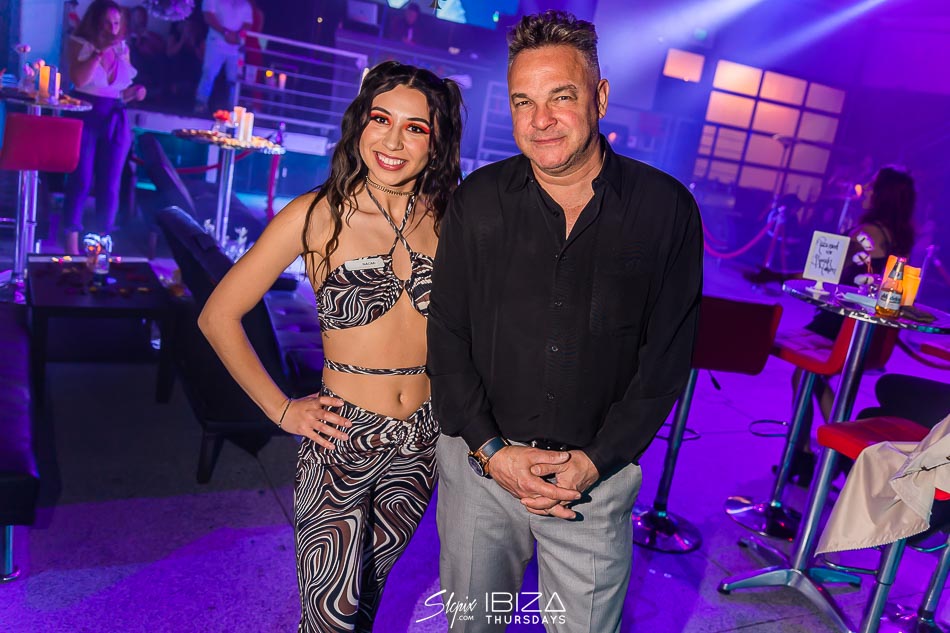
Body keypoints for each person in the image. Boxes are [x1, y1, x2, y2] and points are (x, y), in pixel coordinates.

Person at [427, 11, 702, 632]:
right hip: (481, 472)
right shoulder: (478, 202)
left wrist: (594, 462)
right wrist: (492, 451)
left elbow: (665, 360)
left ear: (599, 98)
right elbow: (446, 336)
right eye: (523, 101)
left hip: (595, 484)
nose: (540, 119)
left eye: (561, 96)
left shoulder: (666, 211)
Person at [198, 61, 463, 632]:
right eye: (381, 119)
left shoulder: (451, 218)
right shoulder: (316, 214)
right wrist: (281, 409)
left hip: (421, 441)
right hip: (340, 438)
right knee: (329, 617)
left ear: (437, 143)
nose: (393, 141)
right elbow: (218, 315)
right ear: (360, 123)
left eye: (416, 128)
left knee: (365, 603)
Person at [746, 165, 916, 484]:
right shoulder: (900, 238)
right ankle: (830, 453)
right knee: (808, 377)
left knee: (805, 376)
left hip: (840, 325)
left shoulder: (867, 233)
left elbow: (823, 271)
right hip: (872, 331)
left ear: (884, 195)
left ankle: (816, 454)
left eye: (872, 185)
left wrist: (774, 276)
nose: (866, 188)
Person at [63, 0, 147, 254]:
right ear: (95, 22)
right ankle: (71, 246)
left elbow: (118, 91)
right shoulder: (80, 43)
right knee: (81, 179)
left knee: (110, 184)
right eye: (108, 23)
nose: (113, 28)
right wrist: (98, 52)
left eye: (117, 23)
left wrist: (135, 92)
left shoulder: (122, 49)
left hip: (114, 116)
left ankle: (101, 245)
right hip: (85, 113)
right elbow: (79, 79)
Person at [194, 0, 253, 112]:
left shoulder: (244, 4)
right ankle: (201, 102)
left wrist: (237, 35)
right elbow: (208, 16)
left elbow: (248, 23)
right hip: (216, 42)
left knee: (234, 79)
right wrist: (225, 32)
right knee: (209, 73)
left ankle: (233, 107)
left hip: (236, 46)